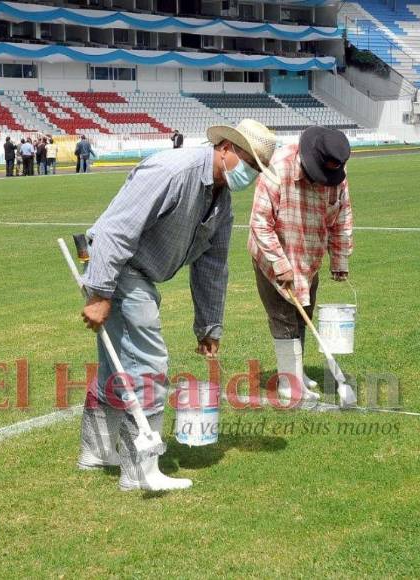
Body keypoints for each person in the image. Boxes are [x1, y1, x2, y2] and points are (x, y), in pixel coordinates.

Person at [77, 119, 277, 491]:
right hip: (120, 269)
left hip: (138, 274)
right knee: (148, 363)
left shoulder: (221, 201)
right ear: (225, 149)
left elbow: (213, 265)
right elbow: (113, 231)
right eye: (249, 164)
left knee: (113, 369)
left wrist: (209, 326)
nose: (251, 175)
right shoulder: (172, 172)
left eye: (257, 170)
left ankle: (97, 451)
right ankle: (142, 471)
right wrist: (101, 293)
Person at [249, 127, 353, 403]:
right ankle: (288, 382)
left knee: (303, 312)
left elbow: (342, 218)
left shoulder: (337, 177)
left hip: (309, 256)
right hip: (274, 253)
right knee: (283, 317)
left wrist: (339, 260)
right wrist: (279, 263)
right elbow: (260, 222)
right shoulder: (279, 167)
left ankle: (296, 372)